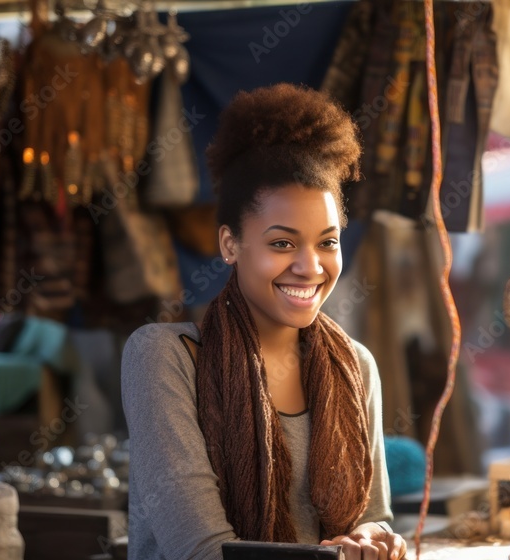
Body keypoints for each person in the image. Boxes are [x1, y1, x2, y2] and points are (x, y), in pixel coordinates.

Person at [121, 84, 406, 560]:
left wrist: (368, 539)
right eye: (282, 243)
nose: (310, 266)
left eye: (328, 242)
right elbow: (202, 551)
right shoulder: (162, 357)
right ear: (230, 245)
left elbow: (370, 514)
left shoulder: (356, 366)